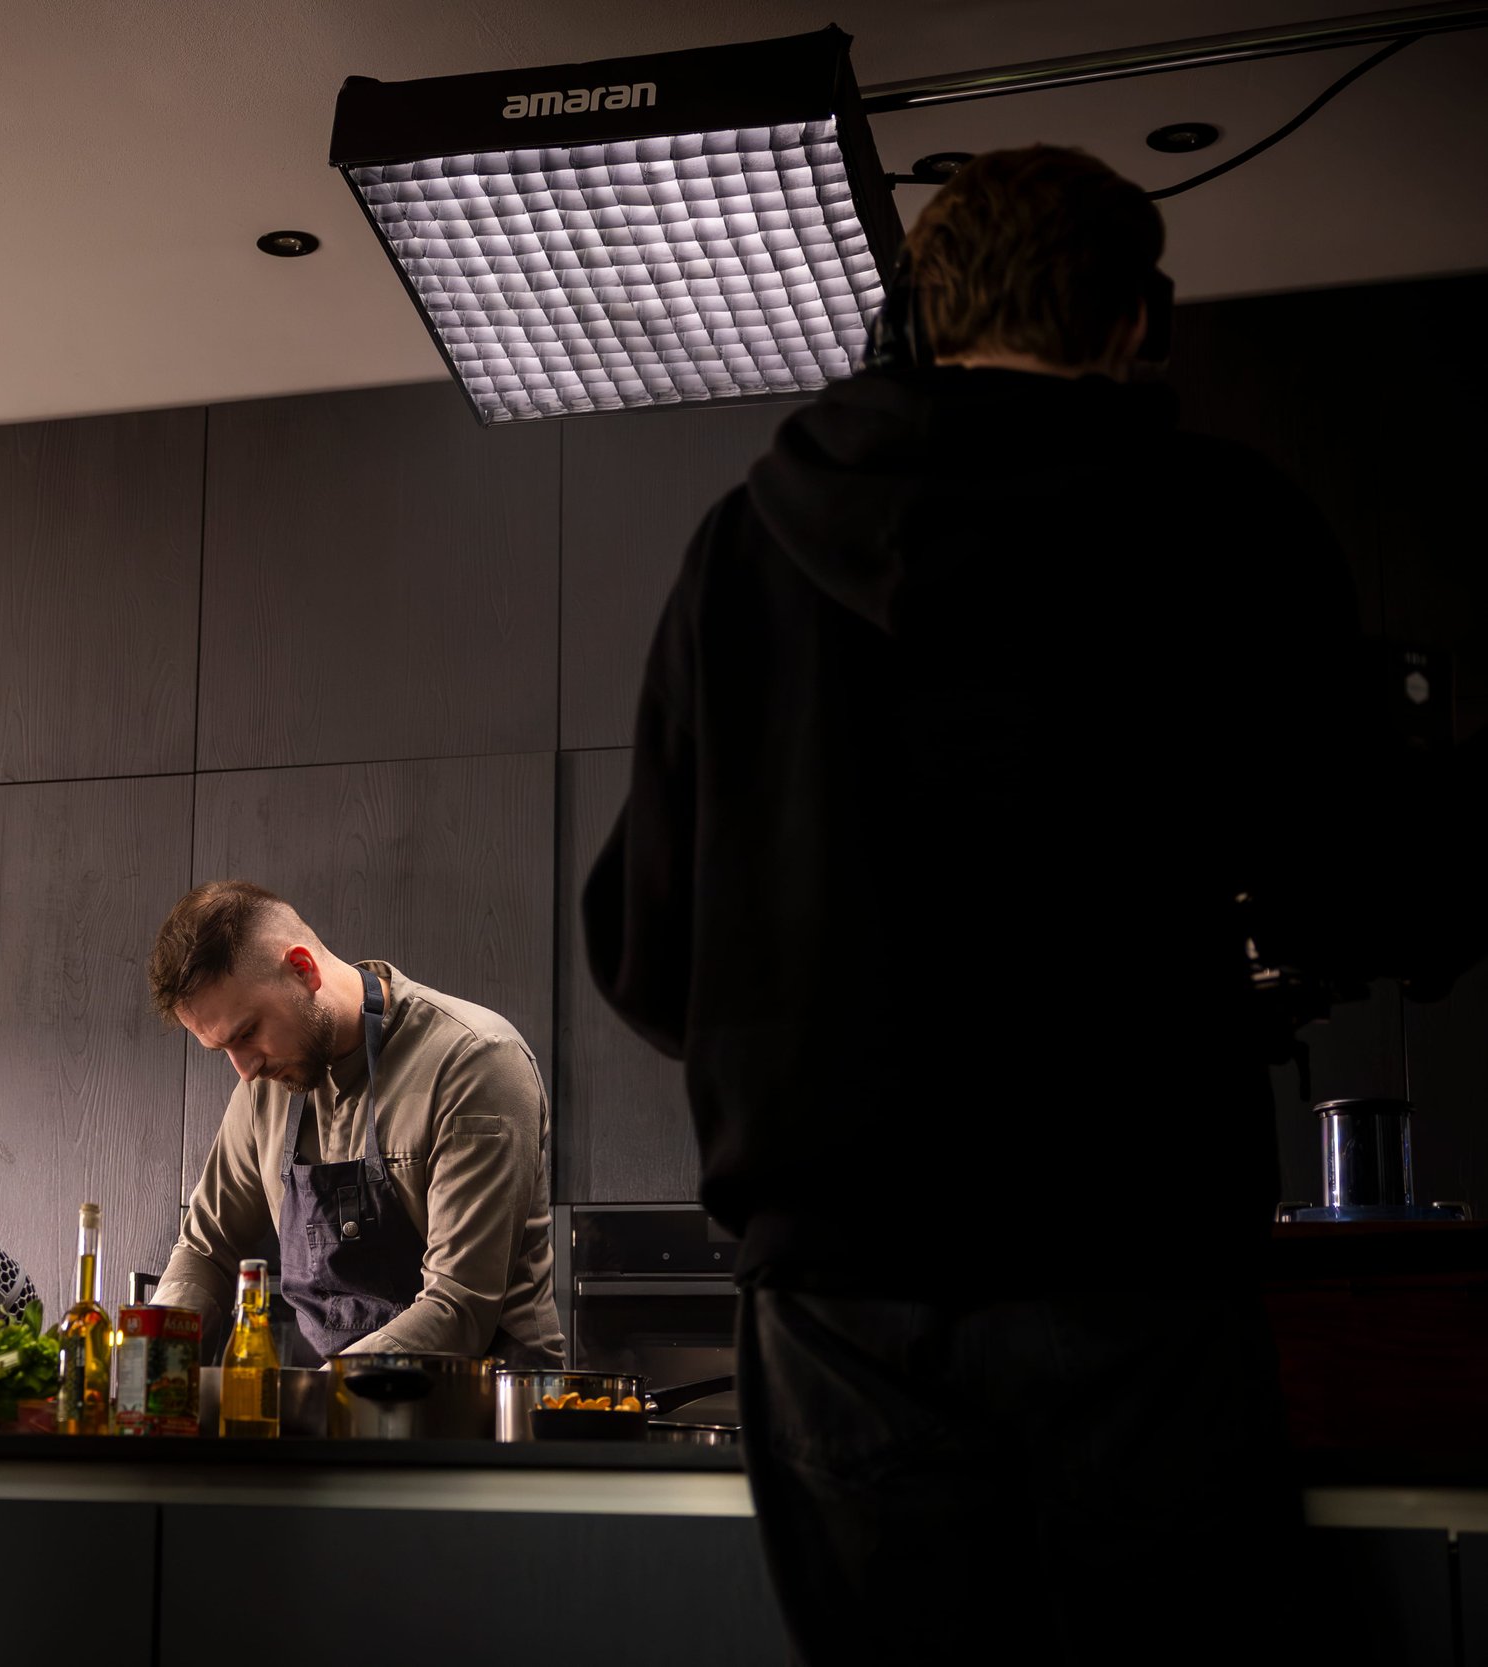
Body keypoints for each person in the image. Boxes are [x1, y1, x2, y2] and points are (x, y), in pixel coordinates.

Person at [582, 145, 1476, 1662]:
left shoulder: (742, 550)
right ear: (1138, 321)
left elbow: (641, 943)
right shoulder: (1220, 522)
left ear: (920, 318)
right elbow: (1363, 885)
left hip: (834, 1286)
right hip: (1126, 1251)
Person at [149, 880, 564, 1367]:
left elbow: (460, 1306)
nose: (244, 1069)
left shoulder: (474, 1063)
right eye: (223, 1049)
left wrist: (319, 1394)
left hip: (482, 1420)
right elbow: (206, 1248)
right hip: (338, 1420)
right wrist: (156, 1361)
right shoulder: (265, 1085)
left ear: (302, 969)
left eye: (247, 1033)